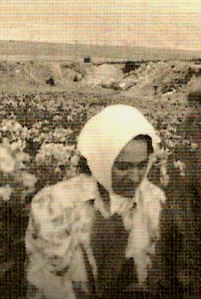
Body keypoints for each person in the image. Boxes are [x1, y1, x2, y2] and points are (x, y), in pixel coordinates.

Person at [25, 104, 167, 299]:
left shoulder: (153, 200)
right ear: (101, 160)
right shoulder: (56, 202)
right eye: (123, 167)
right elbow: (52, 283)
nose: (135, 177)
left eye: (142, 165)